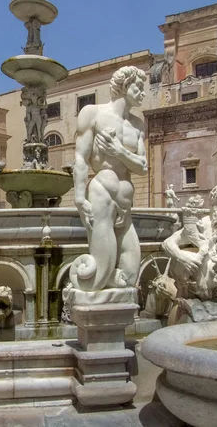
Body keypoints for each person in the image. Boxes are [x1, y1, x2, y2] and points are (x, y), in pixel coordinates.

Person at [70, 66, 148, 291]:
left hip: (126, 202)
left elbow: (143, 167)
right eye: (138, 87)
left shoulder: (137, 124)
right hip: (103, 192)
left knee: (131, 273)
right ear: (125, 86)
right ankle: (87, 292)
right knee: (98, 275)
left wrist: (119, 151)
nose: (143, 93)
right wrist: (78, 197)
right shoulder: (92, 113)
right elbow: (81, 158)